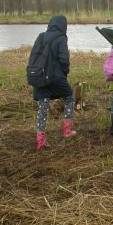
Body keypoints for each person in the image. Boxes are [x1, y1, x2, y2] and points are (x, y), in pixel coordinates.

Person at [31, 15, 77, 150]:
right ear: (64, 26)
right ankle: (67, 131)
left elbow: (34, 56)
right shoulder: (61, 38)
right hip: (56, 77)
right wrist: (64, 72)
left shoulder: (40, 36)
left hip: (40, 76)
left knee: (43, 107)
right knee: (69, 98)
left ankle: (41, 141)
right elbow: (64, 59)